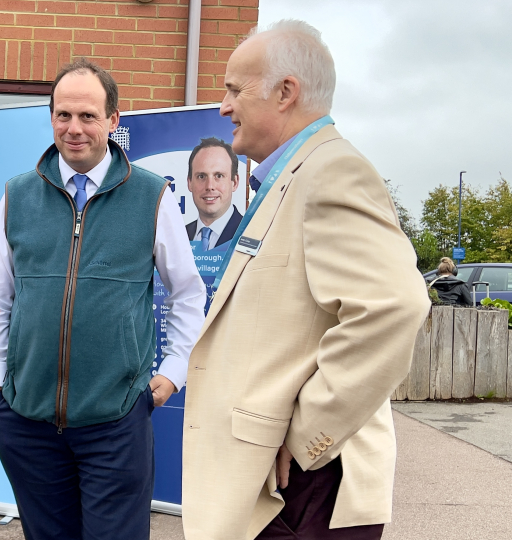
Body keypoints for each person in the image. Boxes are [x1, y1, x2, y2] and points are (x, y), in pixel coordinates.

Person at [182, 21, 430, 540]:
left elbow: (394, 307)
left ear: (285, 92)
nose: (224, 107)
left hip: (303, 490)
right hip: (285, 488)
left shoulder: (331, 171)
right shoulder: (293, 174)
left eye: (234, 89)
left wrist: (305, 435)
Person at [0, 58, 206, 540]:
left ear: (113, 120)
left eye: (87, 116)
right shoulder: (17, 195)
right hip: (27, 421)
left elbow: (187, 292)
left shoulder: (151, 196)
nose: (74, 128)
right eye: (63, 115)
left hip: (115, 422)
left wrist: (172, 372)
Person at [184, 137, 243, 250]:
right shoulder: (177, 237)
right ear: (189, 183)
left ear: (234, 182)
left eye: (219, 176)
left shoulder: (252, 233)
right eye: (201, 176)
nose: (210, 186)